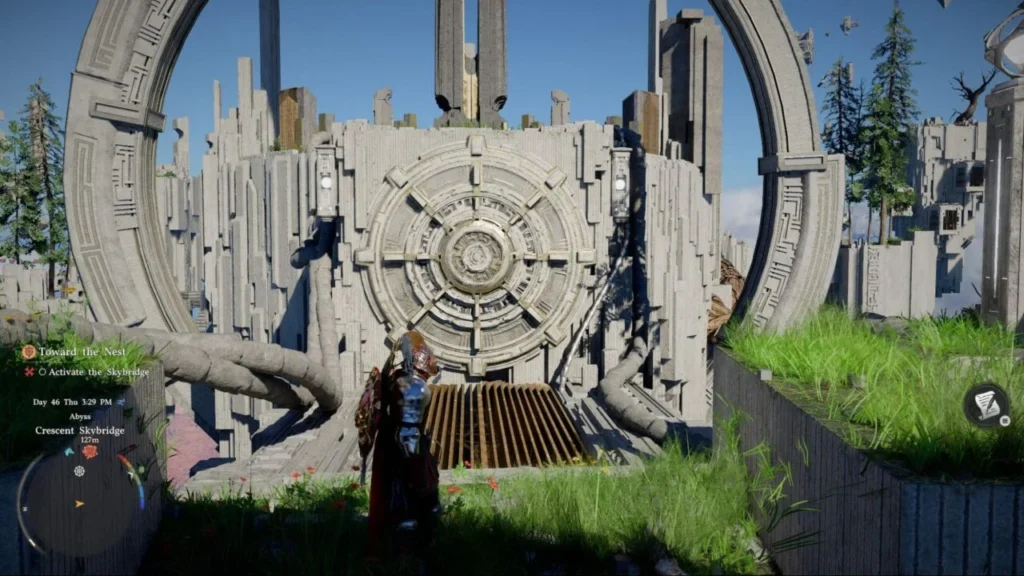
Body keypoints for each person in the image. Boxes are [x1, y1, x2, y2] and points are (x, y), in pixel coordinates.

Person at [356, 331, 441, 564]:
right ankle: (409, 563)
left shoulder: (396, 376)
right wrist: (419, 478)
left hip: (389, 452)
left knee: (395, 511)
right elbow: (408, 435)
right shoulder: (414, 387)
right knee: (414, 514)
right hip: (403, 460)